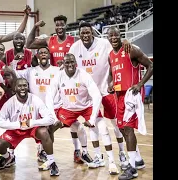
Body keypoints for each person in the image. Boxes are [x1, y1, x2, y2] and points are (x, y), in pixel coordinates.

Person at [68, 21, 132, 169]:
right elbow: (69, 66)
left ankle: (122, 153)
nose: (85, 35)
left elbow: (118, 48)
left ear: (92, 32)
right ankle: (98, 155)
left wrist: (125, 41)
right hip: (88, 93)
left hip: (106, 89)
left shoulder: (103, 43)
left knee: (116, 123)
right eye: (82, 33)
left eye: (87, 32)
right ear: (79, 34)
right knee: (94, 125)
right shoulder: (74, 48)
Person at [9, 47, 88, 164]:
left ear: (49, 56)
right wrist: (15, 62)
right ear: (37, 56)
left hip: (58, 107)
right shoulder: (30, 71)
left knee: (78, 127)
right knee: (44, 131)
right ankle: (42, 152)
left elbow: (73, 75)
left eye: (45, 52)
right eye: (40, 53)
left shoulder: (58, 70)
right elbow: (13, 72)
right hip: (39, 109)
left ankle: (80, 152)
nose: (43, 54)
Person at [48, 53, 119, 175]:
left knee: (103, 128)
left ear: (76, 63)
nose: (70, 65)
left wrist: (92, 119)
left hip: (86, 106)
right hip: (68, 109)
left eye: (72, 62)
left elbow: (96, 96)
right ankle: (49, 160)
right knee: (51, 129)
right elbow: (49, 97)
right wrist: (53, 118)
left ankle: (111, 161)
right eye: (67, 62)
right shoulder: (58, 76)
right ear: (63, 64)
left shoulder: (84, 75)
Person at [107, 27, 153, 180]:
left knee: (128, 128)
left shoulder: (131, 49)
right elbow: (111, 74)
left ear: (121, 36)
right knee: (121, 128)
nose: (113, 37)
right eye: (110, 35)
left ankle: (132, 168)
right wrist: (110, 84)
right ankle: (138, 160)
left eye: (116, 35)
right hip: (119, 96)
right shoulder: (110, 56)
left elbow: (151, 66)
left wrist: (140, 84)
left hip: (131, 94)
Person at [0, 78, 60, 176]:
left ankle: (52, 162)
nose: (22, 88)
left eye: (25, 85)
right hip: (16, 130)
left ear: (28, 87)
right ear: (15, 88)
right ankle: (8, 157)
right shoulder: (10, 103)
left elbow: (50, 118)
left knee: (45, 131)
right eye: (20, 86)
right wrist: (18, 124)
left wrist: (32, 122)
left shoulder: (35, 99)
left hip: (33, 128)